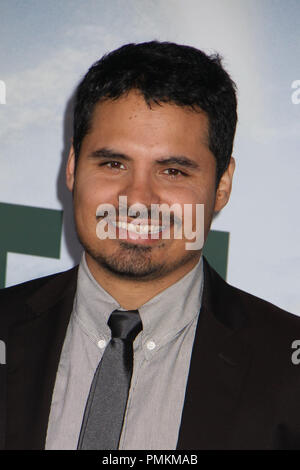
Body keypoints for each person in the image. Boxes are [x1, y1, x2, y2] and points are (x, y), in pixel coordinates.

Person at [1, 40, 300, 451]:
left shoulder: (288, 369)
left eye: (173, 171)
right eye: (113, 164)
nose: (138, 200)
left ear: (222, 186)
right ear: (72, 167)